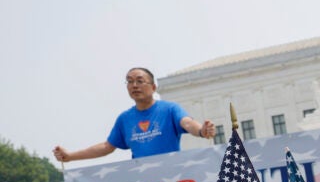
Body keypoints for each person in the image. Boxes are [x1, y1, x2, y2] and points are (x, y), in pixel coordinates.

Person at [53, 67, 214, 162]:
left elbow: (186, 123)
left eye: (139, 81)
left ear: (153, 87)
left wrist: (201, 131)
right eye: (129, 81)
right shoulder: (125, 119)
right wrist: (70, 156)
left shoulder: (170, 109)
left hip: (173, 175)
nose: (134, 85)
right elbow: (107, 147)